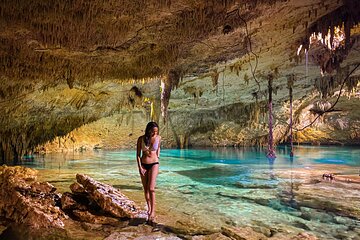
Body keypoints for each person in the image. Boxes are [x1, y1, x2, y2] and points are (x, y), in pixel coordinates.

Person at [136, 121, 161, 222]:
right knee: (146, 189)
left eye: (156, 132)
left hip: (154, 164)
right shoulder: (141, 139)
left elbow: (158, 148)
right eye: (153, 132)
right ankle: (149, 208)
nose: (155, 133)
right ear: (149, 130)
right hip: (143, 165)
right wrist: (140, 168)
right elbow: (138, 154)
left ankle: (153, 211)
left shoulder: (159, 138)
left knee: (151, 188)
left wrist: (157, 156)